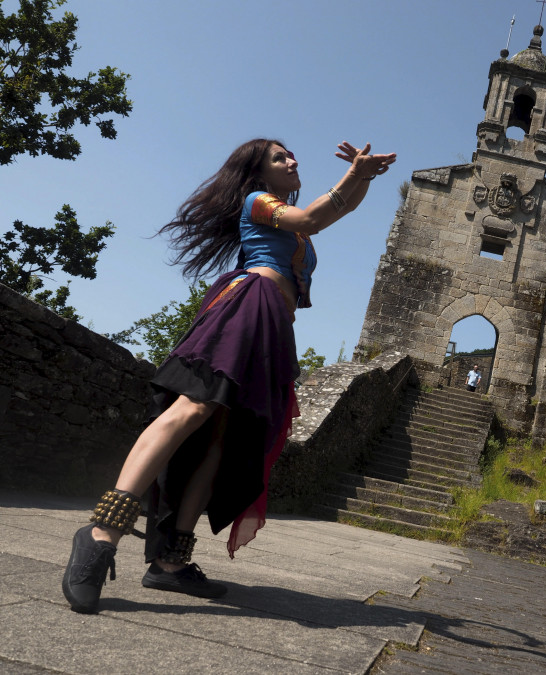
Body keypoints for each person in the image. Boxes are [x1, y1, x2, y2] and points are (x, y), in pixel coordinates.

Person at [62, 138, 396, 614]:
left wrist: (363, 175)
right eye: (280, 157)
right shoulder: (257, 201)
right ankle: (100, 535)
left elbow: (327, 215)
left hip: (271, 325)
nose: (293, 160)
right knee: (192, 407)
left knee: (221, 440)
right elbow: (313, 217)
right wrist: (354, 176)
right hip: (246, 305)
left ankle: (170, 563)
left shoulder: (293, 229)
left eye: (291, 154)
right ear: (259, 174)